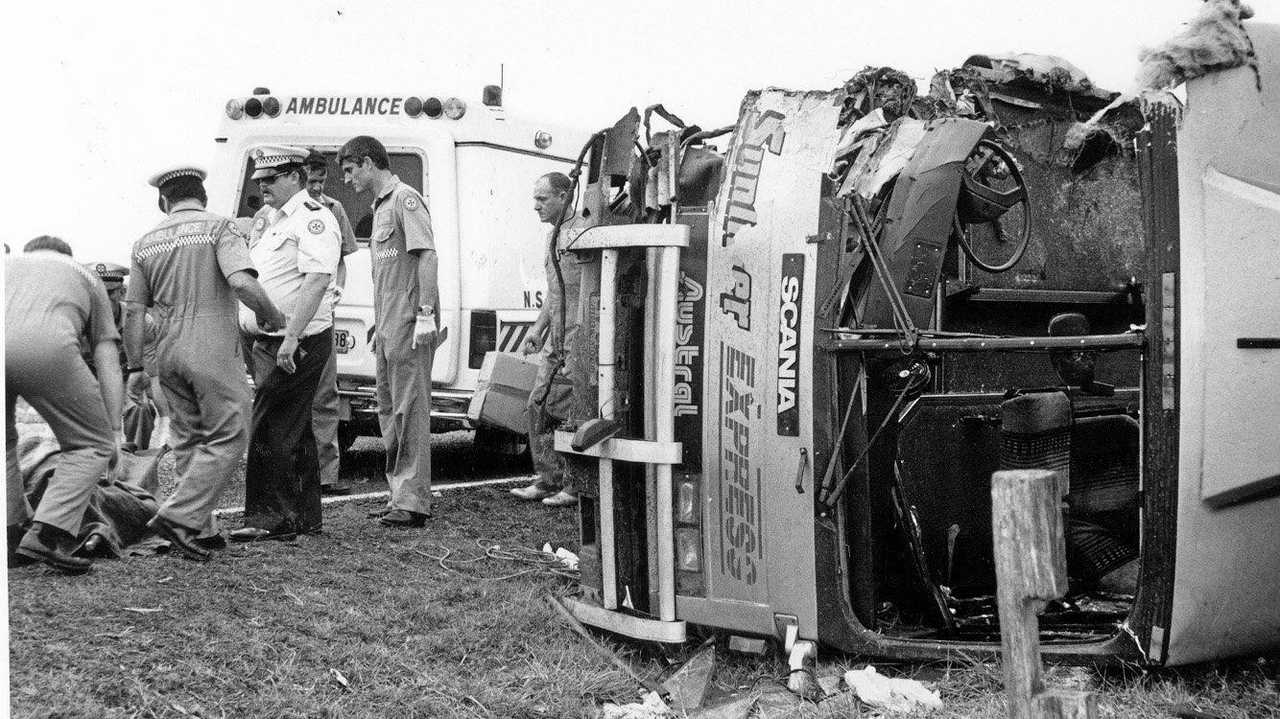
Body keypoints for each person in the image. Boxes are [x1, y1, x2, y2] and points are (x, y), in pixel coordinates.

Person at [123, 165, 285, 561]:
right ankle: (179, 516)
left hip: (167, 349)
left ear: (165, 201)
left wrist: (135, 368)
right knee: (231, 432)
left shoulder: (145, 242)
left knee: (188, 437)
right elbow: (243, 283)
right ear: (203, 197)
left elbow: (132, 312)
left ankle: (202, 528)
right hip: (211, 345)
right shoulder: (220, 228)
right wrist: (271, 315)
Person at [230, 145, 341, 541]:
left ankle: (269, 518)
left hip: (294, 340)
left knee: (270, 426)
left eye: (270, 179)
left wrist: (291, 337)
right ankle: (303, 517)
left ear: (295, 177)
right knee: (293, 428)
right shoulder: (274, 221)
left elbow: (317, 279)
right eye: (259, 181)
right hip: (272, 339)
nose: (262, 187)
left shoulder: (313, 219)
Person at [339, 135, 439, 528]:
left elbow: (426, 254)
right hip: (388, 322)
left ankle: (413, 502)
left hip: (409, 320)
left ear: (367, 162)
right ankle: (400, 494)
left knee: (409, 410)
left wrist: (426, 313)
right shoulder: (380, 206)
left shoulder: (404, 200)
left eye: (350, 171)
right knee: (389, 411)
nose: (348, 180)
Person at [6, 236, 122, 573]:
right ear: (67, 257)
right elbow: (107, 355)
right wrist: (113, 430)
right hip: (43, 346)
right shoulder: (82, 273)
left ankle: (11, 534)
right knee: (91, 443)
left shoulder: (8, 266)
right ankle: (47, 533)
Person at [511, 173, 587, 507]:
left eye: (542, 199)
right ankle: (548, 478)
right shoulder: (553, 237)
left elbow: (589, 292)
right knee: (538, 404)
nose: (535, 206)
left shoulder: (582, 234)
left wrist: (582, 343)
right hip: (556, 339)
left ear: (563, 195)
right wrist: (536, 329)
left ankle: (573, 485)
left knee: (569, 412)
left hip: (577, 338)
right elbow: (555, 292)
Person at [304, 149, 358, 495]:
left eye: (322, 181)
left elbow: (341, 258)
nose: (317, 188)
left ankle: (326, 475)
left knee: (325, 395)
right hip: (291, 311)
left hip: (322, 310)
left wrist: (338, 285)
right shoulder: (280, 213)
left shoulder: (334, 209)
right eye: (311, 181)